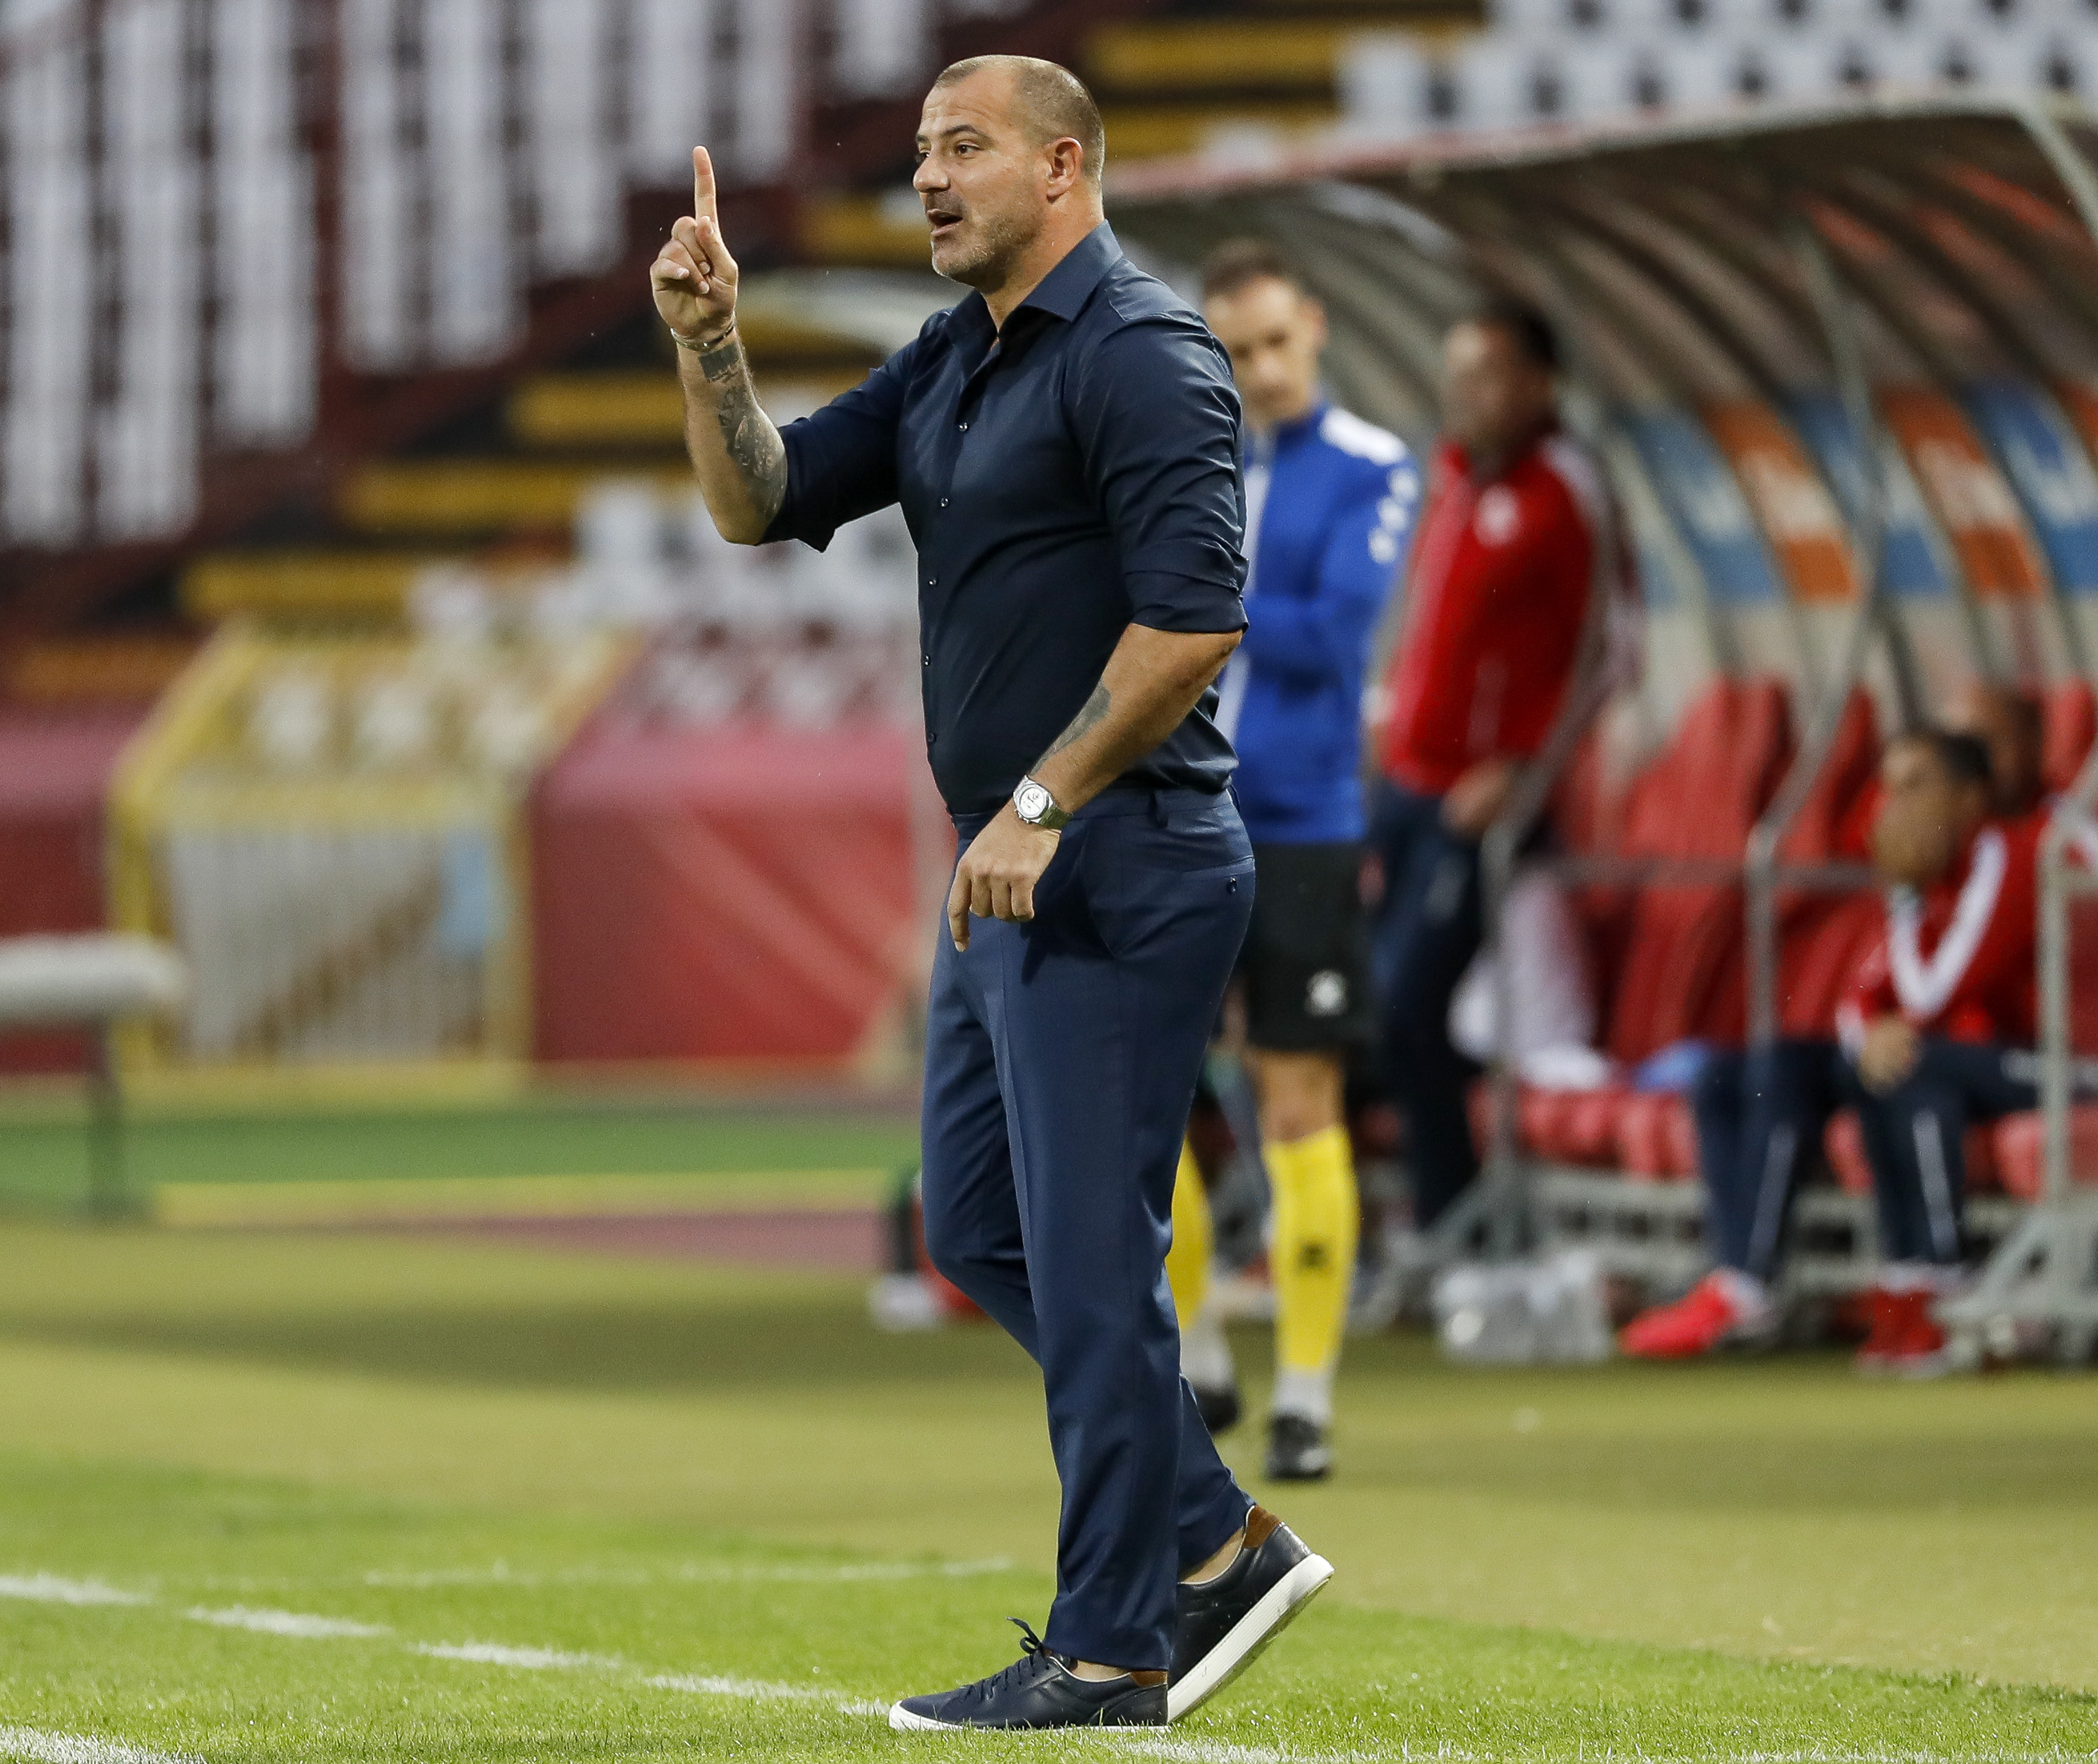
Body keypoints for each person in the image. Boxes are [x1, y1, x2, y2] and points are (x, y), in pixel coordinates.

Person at [651, 56, 1330, 1733]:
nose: (930, 179)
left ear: (1062, 164)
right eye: (917, 153)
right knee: (974, 1222)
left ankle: (1112, 1652)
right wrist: (706, 345)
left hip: (1117, 859)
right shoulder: (958, 356)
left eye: (962, 150)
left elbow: (1189, 626)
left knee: (1092, 1265)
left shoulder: (1143, 354)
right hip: (1009, 870)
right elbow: (759, 501)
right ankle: (1213, 1537)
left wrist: (1037, 799)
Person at [1165, 239, 1418, 1483]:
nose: (1260, 369)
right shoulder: (1180, 459)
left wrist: (1193, 594)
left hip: (1301, 821)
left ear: (1312, 327)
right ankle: (1202, 1352)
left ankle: (1305, 1395)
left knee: (1296, 1099)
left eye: (1274, 341)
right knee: (1148, 1095)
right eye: (1235, 348)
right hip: (1169, 812)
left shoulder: (1373, 465)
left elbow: (1334, 635)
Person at [1624, 688, 2045, 1364]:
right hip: (1952, 1055)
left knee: (1907, 1066)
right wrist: (1875, 1019)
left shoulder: (2008, 856)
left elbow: (1933, 992)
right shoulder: (1933, 876)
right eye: (1888, 788)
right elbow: (1861, 998)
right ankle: (1744, 1280)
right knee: (1755, 1070)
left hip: (2049, 1061)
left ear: (1970, 799)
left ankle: (1939, 1280)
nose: (1892, 807)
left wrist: (1904, 895)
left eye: (1916, 787)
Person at [1368, 302, 1613, 1228]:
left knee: (1406, 1002)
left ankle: (1452, 1220)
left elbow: (1611, 649)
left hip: (1477, 805)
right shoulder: (1452, 475)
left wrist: (1523, 769)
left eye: (1485, 375)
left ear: (1539, 384)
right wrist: (1387, 716)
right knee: (1361, 1004)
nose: (1462, 395)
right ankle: (1406, 1215)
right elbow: (1430, 626)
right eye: (1455, 374)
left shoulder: (1564, 489)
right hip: (1405, 782)